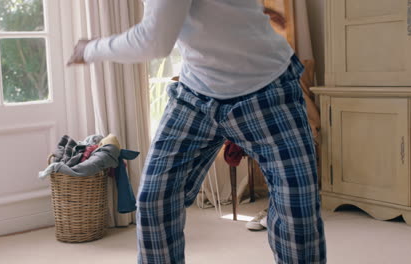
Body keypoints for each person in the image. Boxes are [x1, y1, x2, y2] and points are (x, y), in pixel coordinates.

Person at [68, 0, 326, 263]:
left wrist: (90, 48)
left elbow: (154, 40)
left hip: (267, 91)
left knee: (298, 212)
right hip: (195, 95)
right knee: (156, 199)